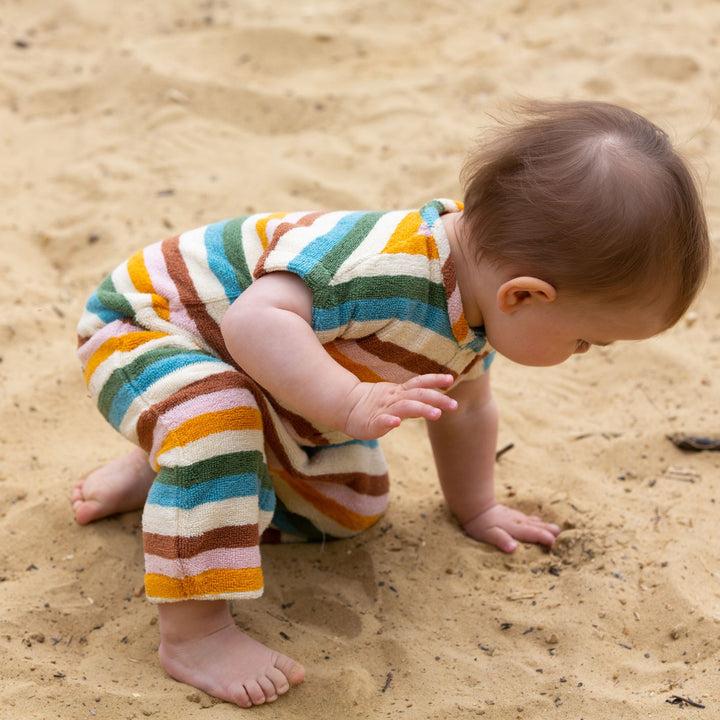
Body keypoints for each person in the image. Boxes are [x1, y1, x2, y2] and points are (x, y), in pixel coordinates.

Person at [71, 100, 710, 708]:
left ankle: (169, 472)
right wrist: (349, 399)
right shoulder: (385, 268)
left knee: (351, 508)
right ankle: (196, 633)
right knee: (216, 421)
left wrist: (477, 507)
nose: (582, 352)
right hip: (153, 331)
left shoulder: (479, 303)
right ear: (524, 295)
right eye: (585, 340)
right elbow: (253, 323)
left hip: (263, 382)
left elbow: (469, 407)